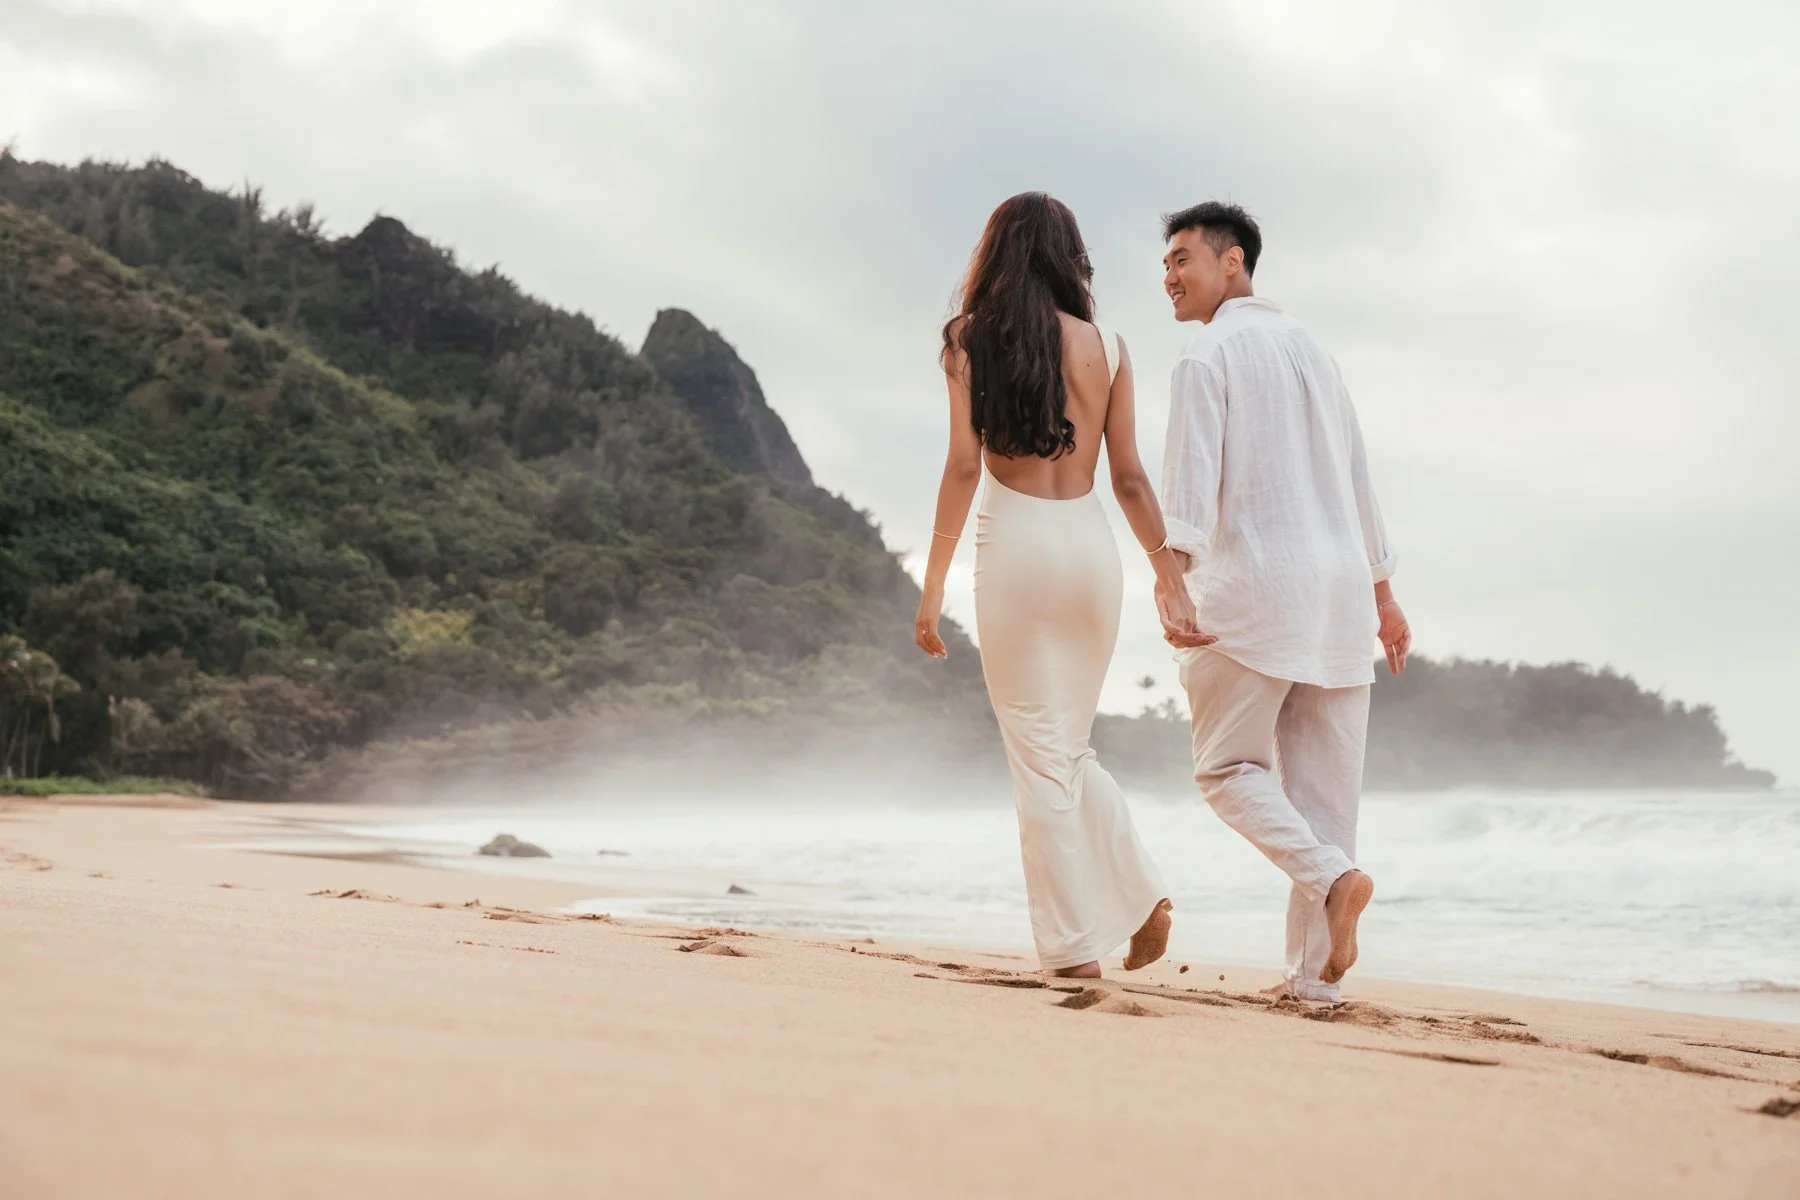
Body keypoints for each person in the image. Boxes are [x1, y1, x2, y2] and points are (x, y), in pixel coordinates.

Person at [914, 192, 1210, 979]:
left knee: (1040, 757)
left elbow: (963, 466)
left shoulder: (966, 339)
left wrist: (932, 583)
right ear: (1067, 256)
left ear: (996, 253)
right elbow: (1133, 479)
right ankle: (1140, 895)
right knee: (1063, 748)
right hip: (1090, 554)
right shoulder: (1108, 346)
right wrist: (1170, 578)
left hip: (1013, 546)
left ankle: (1075, 948)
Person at [1158, 201, 1411, 1001]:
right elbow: (1358, 477)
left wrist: (1172, 579)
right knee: (1325, 795)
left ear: (1232, 262)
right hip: (1339, 592)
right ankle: (1315, 985)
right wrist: (1384, 592)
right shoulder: (1314, 351)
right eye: (1165, 265)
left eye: (1181, 259)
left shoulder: (1207, 359)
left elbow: (1190, 491)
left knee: (1227, 768)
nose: (1169, 277)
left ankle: (1334, 881)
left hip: (1256, 589)